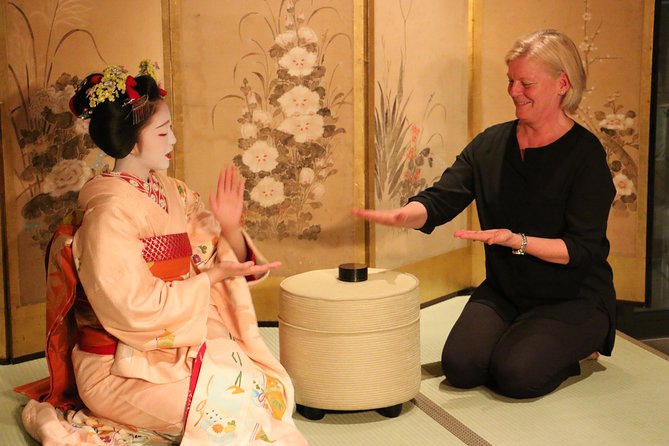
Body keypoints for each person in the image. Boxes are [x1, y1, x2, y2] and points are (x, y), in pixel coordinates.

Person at [18, 61, 308, 445]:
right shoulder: (107, 214)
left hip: (176, 347)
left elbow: (217, 259)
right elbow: (132, 307)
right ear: (131, 140)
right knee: (224, 409)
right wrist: (210, 279)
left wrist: (230, 228)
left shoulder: (176, 193)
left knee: (261, 390)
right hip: (118, 365)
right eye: (163, 131)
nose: (172, 141)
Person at [353, 29, 616, 399]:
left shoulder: (585, 156)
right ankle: (526, 336)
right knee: (461, 367)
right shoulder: (491, 144)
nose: (514, 91)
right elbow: (442, 198)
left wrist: (516, 241)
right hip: (507, 289)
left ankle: (581, 346)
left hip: (572, 296)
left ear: (562, 84)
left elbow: (582, 249)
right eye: (511, 81)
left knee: (516, 375)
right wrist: (406, 215)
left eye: (526, 83)